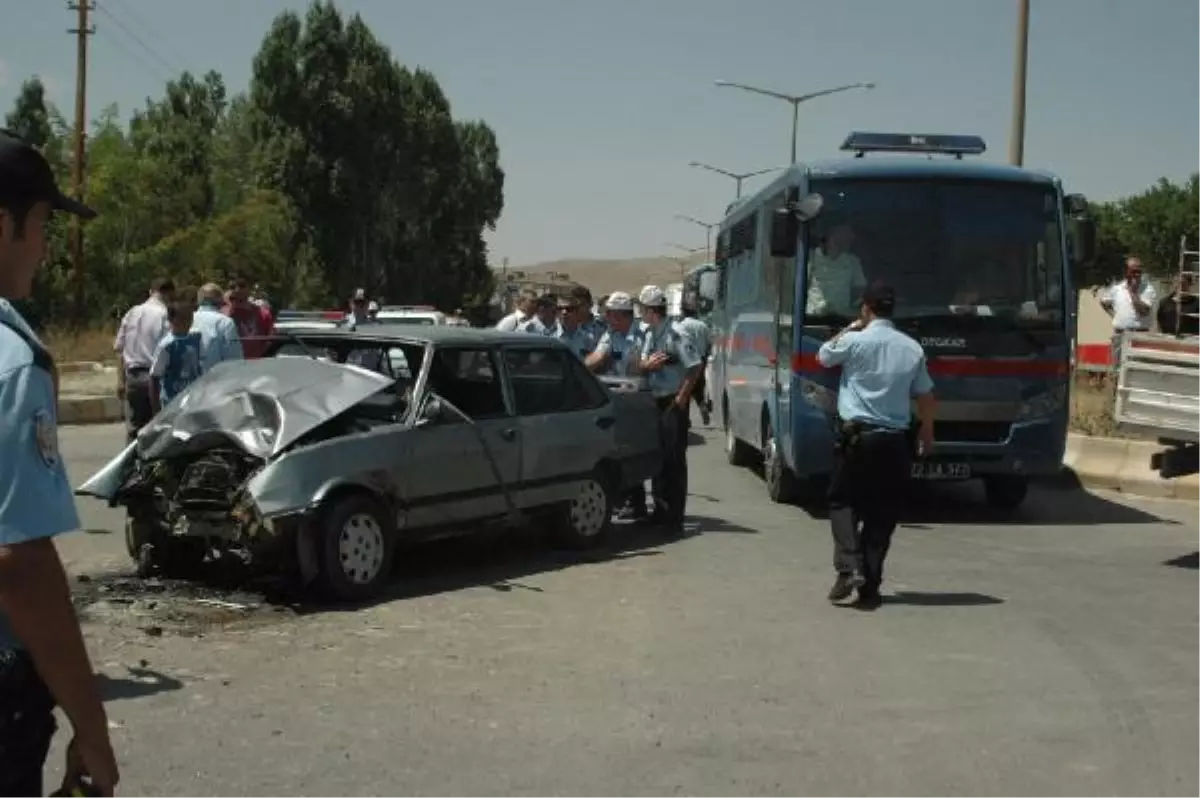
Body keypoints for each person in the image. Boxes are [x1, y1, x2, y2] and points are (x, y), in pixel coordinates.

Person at [0, 128, 119, 797]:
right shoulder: (12, 363)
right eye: (41, 223)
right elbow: (18, 565)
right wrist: (91, 724)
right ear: (3, 225)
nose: (46, 246)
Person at [817, 283, 936, 611]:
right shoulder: (911, 348)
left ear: (866, 308)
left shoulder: (855, 340)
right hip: (895, 441)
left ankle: (850, 566)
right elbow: (925, 394)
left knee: (842, 502)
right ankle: (869, 587)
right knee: (882, 514)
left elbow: (824, 356)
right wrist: (927, 431)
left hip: (857, 438)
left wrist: (851, 327)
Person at [637, 285, 703, 535]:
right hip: (655, 400)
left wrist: (682, 399)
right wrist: (646, 366)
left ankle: (674, 517)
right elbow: (643, 362)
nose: (641, 314)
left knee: (674, 461)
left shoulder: (676, 333)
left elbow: (694, 367)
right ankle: (660, 511)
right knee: (659, 458)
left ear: (650, 310)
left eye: (643, 309)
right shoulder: (650, 333)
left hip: (672, 401)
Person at [587, 292, 650, 519]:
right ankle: (631, 500)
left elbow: (640, 366)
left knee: (640, 450)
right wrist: (580, 370)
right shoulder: (610, 334)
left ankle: (642, 503)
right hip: (619, 397)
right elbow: (597, 356)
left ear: (622, 316)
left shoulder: (643, 334)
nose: (607, 319)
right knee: (621, 449)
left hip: (642, 399)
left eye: (611, 315)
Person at [114, 277, 173, 442]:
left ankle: (130, 466)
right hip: (155, 378)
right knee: (157, 430)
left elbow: (119, 348)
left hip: (132, 376)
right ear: (169, 293)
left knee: (134, 431)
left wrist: (120, 381)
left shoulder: (132, 312)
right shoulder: (165, 315)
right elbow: (168, 349)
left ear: (150, 292)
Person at [1099, 257, 1156, 369]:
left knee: (1137, 370)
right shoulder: (1117, 288)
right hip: (1120, 336)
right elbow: (1104, 301)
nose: (1137, 274)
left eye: (1139, 271)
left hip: (1140, 336)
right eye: (1133, 271)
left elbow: (1144, 311)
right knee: (1118, 369)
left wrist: (1133, 293)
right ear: (1126, 272)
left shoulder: (1148, 289)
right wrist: (1115, 315)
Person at [149, 298, 204, 414]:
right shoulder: (168, 345)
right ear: (171, 319)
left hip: (193, 400)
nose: (187, 322)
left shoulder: (195, 338)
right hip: (172, 402)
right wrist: (156, 409)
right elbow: (155, 376)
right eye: (182, 319)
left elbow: (200, 365)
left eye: (189, 318)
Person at [806, 222, 867, 317]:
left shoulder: (852, 261)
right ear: (830, 234)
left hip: (842, 319)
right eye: (844, 234)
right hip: (811, 319)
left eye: (850, 235)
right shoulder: (810, 257)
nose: (849, 238)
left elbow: (859, 289)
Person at [675, 299, 712, 425]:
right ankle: (702, 406)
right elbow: (709, 344)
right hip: (701, 360)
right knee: (699, 388)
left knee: (687, 388)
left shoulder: (682, 326)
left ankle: (687, 418)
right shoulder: (703, 325)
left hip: (687, 360)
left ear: (683, 312)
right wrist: (705, 360)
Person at [191, 283, 242, 373]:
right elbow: (234, 358)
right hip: (215, 380)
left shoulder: (188, 319)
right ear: (221, 300)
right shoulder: (225, 322)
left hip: (190, 381)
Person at [223, 274, 274, 357]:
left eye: (241, 286)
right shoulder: (222, 315)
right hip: (230, 365)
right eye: (232, 287)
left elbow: (270, 340)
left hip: (255, 366)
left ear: (249, 288)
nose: (237, 290)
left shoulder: (263, 314)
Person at [1154, 272, 1200, 336]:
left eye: (1183, 284)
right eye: (1177, 283)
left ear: (1189, 284)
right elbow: (1158, 323)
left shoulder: (1197, 303)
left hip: (1191, 341)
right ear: (1173, 284)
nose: (1180, 286)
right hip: (1168, 340)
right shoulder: (1164, 302)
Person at [555, 294, 598, 359]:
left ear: (577, 312)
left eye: (569, 309)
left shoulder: (588, 339)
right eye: (560, 309)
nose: (564, 312)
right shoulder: (549, 337)